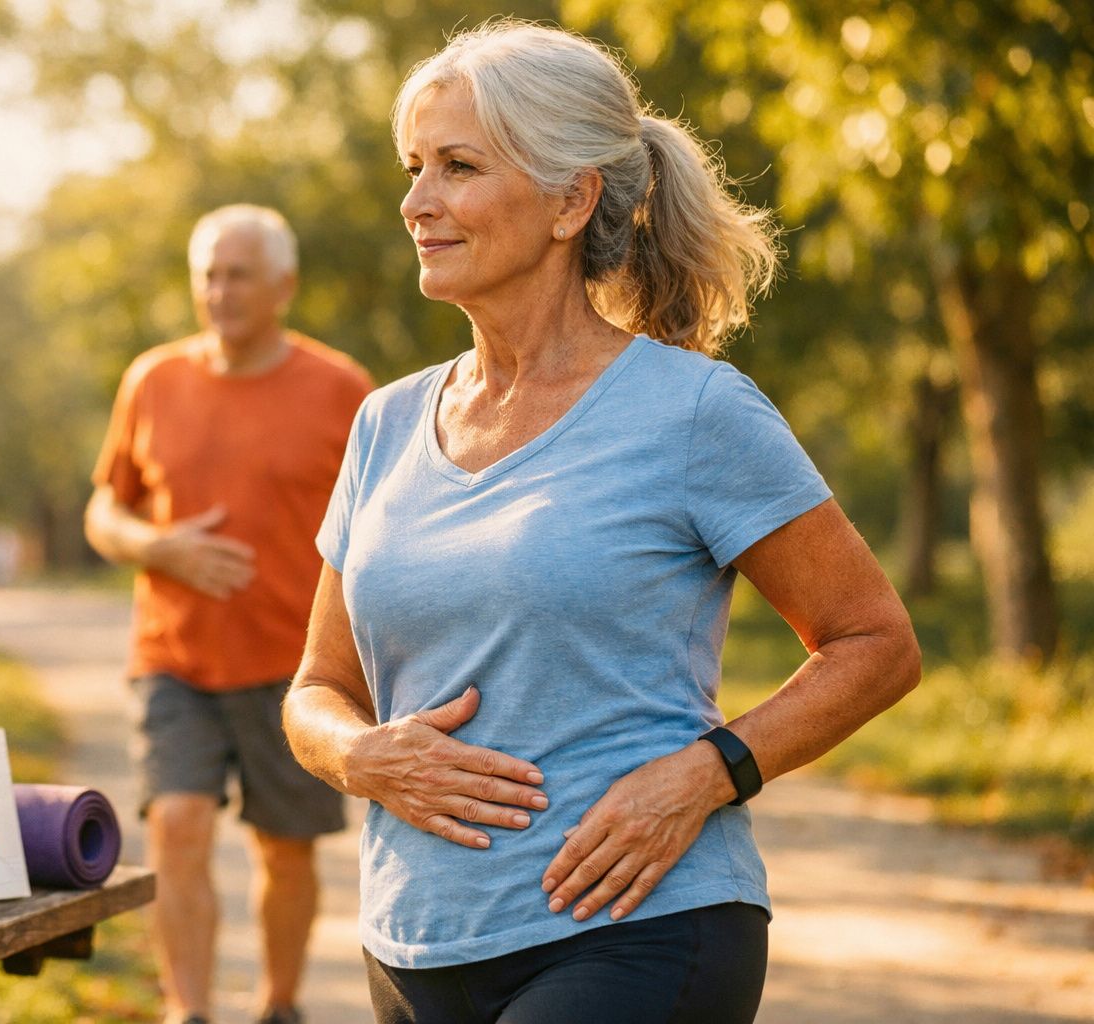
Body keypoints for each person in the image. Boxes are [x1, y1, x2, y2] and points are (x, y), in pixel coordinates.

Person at [282, 21, 921, 1024]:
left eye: (457, 167)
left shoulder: (694, 410)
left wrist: (710, 773)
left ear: (571, 200)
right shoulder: (385, 423)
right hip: (413, 940)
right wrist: (359, 755)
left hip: (637, 928)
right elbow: (319, 686)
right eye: (414, 167)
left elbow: (874, 643)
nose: (416, 204)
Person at [85, 204, 374, 1024]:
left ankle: (278, 1006)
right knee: (176, 824)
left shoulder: (341, 389)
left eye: (237, 274)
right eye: (207, 275)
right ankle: (190, 1011)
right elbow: (103, 512)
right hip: (174, 656)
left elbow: (379, 527)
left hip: (298, 667)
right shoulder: (153, 379)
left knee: (283, 850)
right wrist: (159, 546)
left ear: (283, 285)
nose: (219, 291)